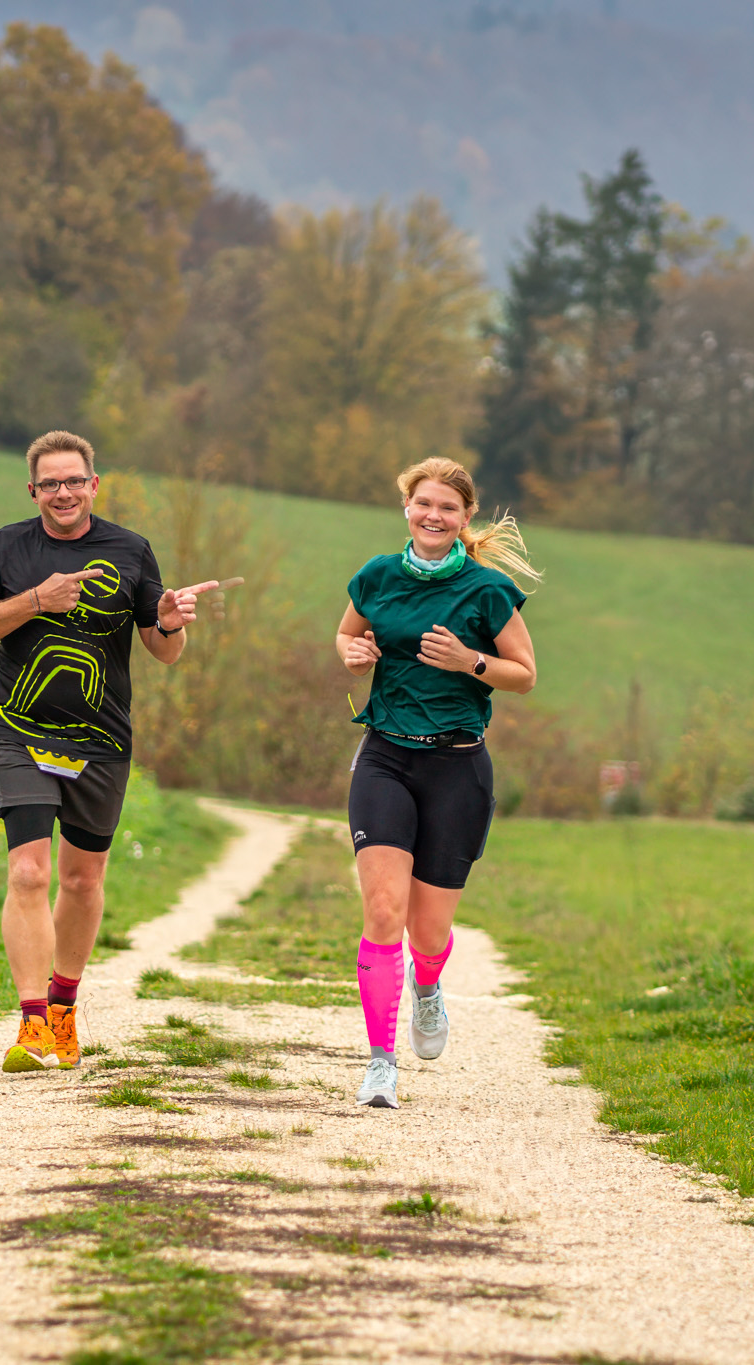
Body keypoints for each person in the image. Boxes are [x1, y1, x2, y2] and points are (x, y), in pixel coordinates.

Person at [0, 431, 217, 1072]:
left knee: (81, 879)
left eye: (74, 481)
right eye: (50, 483)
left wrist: (170, 621)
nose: (63, 492)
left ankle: (64, 1007)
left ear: (94, 485)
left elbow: (164, 651)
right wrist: (36, 600)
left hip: (101, 740)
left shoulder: (131, 549)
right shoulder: (5, 547)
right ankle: (32, 1022)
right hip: (21, 732)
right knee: (28, 873)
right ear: (33, 491)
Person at [334, 457, 541, 1108]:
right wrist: (353, 653)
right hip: (385, 757)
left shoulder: (488, 590)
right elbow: (347, 635)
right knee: (382, 911)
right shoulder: (377, 575)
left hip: (457, 767)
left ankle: (428, 985)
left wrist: (469, 660)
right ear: (407, 507)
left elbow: (524, 673)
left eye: (448, 507)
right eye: (423, 503)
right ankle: (380, 1064)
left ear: (465, 516)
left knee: (427, 933)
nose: (433, 515)